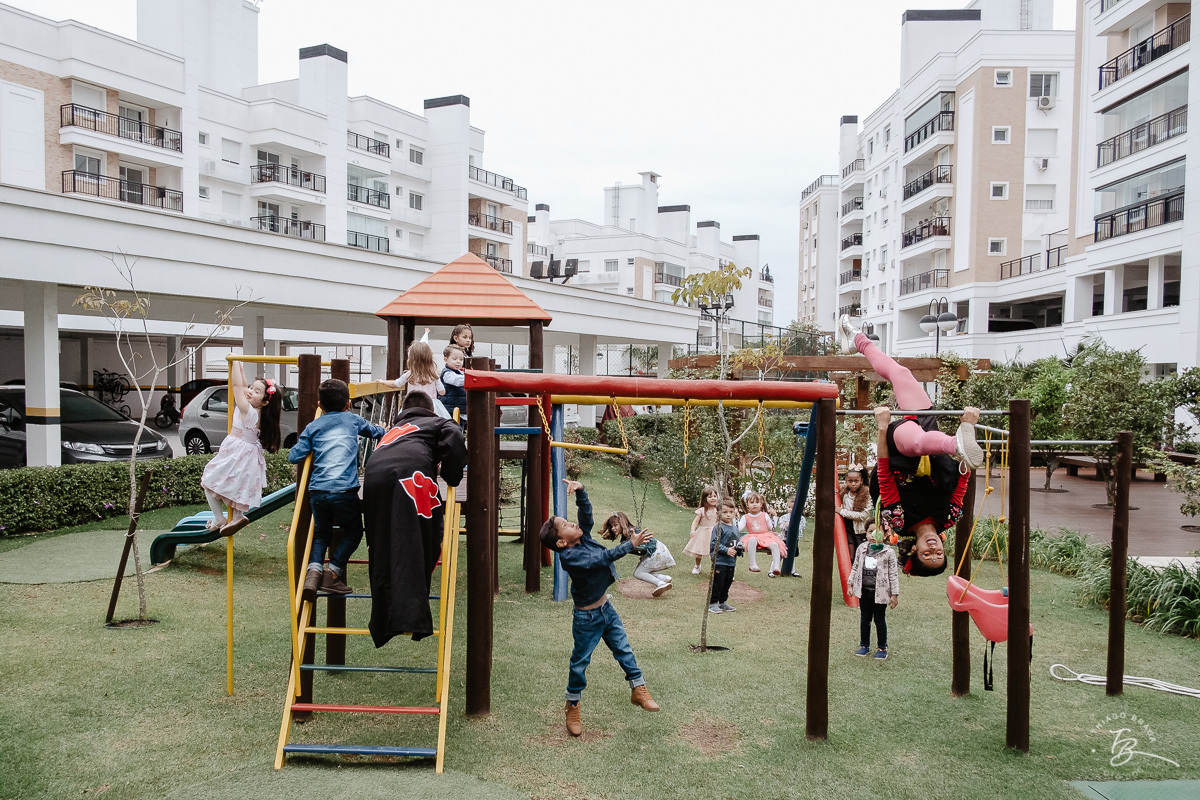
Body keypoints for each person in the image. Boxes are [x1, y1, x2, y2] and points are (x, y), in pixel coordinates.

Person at [840, 314, 980, 576]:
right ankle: (857, 340)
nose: (933, 548)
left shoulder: (898, 521)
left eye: (928, 555)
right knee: (900, 372)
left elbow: (883, 473)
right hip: (933, 444)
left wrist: (882, 429)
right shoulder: (950, 517)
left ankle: (956, 443)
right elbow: (962, 478)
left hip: (900, 451)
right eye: (939, 553)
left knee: (914, 442)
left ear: (913, 551)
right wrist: (967, 425)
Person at [539, 479, 660, 736]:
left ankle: (639, 689)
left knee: (624, 650)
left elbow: (586, 516)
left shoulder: (581, 538)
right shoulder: (571, 557)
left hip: (606, 609)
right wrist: (630, 545)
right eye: (565, 525)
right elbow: (602, 558)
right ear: (561, 542)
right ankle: (572, 705)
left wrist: (581, 491)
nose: (572, 523)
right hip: (587, 618)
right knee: (580, 663)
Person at [361, 391, 467, 647]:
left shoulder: (393, 431)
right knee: (420, 542)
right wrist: (451, 474)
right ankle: (411, 618)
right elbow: (454, 435)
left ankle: (383, 621)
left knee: (382, 546)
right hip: (412, 476)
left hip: (373, 477)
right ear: (431, 409)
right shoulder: (436, 422)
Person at [288, 379, 386, 601]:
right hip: (344, 490)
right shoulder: (352, 420)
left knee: (322, 534)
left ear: (320, 405)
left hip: (318, 491)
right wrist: (384, 430)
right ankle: (332, 572)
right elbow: (374, 432)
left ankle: (313, 576)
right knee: (353, 532)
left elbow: (294, 456)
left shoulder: (313, 427)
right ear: (348, 404)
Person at [199, 361, 282, 535]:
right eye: (252, 387)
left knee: (208, 480)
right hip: (248, 454)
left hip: (238, 451)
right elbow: (243, 384)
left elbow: (237, 386)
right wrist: (238, 363)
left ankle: (218, 518)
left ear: (265, 402)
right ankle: (238, 516)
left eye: (257, 391)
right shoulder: (259, 414)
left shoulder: (248, 410)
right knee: (237, 487)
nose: (250, 391)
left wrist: (235, 361)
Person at [847, 521, 899, 660]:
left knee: (879, 619)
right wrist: (850, 584)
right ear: (866, 533)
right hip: (864, 591)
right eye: (870, 532)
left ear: (885, 534)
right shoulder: (862, 548)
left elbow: (893, 574)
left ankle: (882, 647)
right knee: (865, 619)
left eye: (877, 532)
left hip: (880, 593)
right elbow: (856, 566)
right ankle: (864, 645)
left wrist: (894, 594)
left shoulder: (888, 552)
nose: (873, 535)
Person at [601, 511, 675, 596]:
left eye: (615, 525)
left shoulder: (631, 532)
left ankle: (661, 583)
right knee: (643, 571)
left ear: (622, 523)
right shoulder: (627, 535)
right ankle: (664, 578)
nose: (613, 528)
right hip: (658, 549)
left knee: (638, 573)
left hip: (655, 551)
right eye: (611, 526)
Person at [393, 340, 450, 419]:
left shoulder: (409, 374)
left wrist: (382, 382)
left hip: (413, 404)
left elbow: (396, 384)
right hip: (431, 405)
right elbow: (442, 392)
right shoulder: (433, 374)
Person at [739, 490, 788, 577]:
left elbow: (771, 527)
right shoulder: (745, 517)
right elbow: (739, 528)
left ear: (761, 504)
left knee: (774, 544)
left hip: (765, 536)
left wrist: (775, 517)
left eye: (757, 502)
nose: (754, 504)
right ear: (747, 505)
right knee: (752, 540)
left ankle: (776, 566)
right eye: (751, 502)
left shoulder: (764, 515)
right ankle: (753, 564)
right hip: (752, 535)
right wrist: (734, 520)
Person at [708, 498, 742, 614]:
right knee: (718, 583)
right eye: (725, 512)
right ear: (718, 513)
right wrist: (726, 550)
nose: (728, 515)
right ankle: (713, 603)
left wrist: (740, 547)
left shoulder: (734, 528)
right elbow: (714, 543)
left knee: (727, 582)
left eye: (731, 512)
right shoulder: (718, 527)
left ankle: (723, 602)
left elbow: (735, 541)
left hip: (731, 561)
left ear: (735, 512)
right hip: (720, 561)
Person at [684, 486, 719, 574]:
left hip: (714, 532)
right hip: (703, 533)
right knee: (699, 550)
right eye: (710, 497)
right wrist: (692, 530)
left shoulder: (718, 510)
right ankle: (697, 566)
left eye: (715, 496)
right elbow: (695, 521)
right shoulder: (702, 510)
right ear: (705, 498)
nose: (713, 498)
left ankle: (716, 567)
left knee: (715, 551)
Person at [838, 466, 872, 556]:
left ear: (861, 481)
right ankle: (850, 570)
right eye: (850, 481)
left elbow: (863, 515)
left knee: (861, 556)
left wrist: (842, 512)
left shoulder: (866, 495)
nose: (853, 484)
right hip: (848, 528)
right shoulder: (844, 493)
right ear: (846, 480)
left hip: (860, 531)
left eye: (856, 481)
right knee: (850, 556)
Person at [440, 344, 467, 425]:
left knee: (460, 429)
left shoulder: (460, 373)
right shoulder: (447, 373)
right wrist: (470, 378)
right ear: (446, 359)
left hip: (459, 409)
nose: (458, 361)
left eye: (461, 359)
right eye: (454, 359)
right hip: (449, 409)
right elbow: (456, 381)